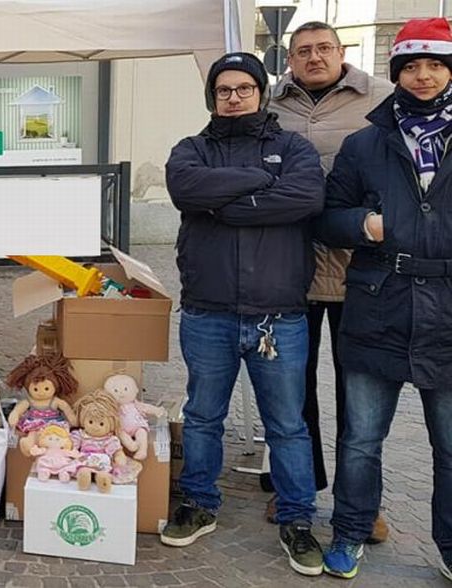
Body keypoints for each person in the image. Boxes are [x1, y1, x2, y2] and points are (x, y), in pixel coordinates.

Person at [161, 52, 326, 576]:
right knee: (204, 414)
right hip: (207, 309)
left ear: (261, 92)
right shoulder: (190, 149)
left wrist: (224, 201)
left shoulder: (293, 148)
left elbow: (305, 198)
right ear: (212, 97)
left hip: (278, 313)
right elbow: (186, 188)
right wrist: (260, 182)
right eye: (223, 90)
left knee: (288, 425)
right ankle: (199, 503)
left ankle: (298, 519)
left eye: (243, 89)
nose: (233, 97)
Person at [317, 18, 452, 581]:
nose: (422, 76)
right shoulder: (365, 143)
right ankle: (350, 531)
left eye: (435, 65)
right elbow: (327, 215)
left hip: (447, 309)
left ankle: (449, 544)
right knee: (361, 439)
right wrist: (363, 224)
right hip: (378, 305)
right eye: (411, 67)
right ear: (396, 73)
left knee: (450, 449)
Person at [267, 20, 392, 542]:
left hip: (360, 270)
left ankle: (358, 501)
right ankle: (297, 486)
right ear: (289, 59)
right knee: (291, 389)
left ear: (342, 53)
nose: (314, 58)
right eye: (303, 51)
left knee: (357, 392)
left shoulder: (381, 98)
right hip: (289, 266)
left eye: (324, 49)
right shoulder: (269, 106)